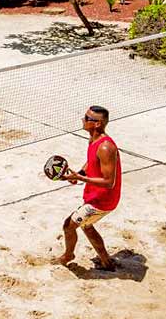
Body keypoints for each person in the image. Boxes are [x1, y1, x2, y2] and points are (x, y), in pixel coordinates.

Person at [58, 105, 122, 271]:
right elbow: (92, 162)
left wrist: (81, 178)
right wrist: (78, 174)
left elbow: (109, 182)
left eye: (87, 118)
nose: (83, 120)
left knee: (68, 226)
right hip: (95, 196)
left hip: (102, 201)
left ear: (97, 124)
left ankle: (68, 256)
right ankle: (106, 262)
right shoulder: (93, 139)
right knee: (87, 226)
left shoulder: (106, 147)